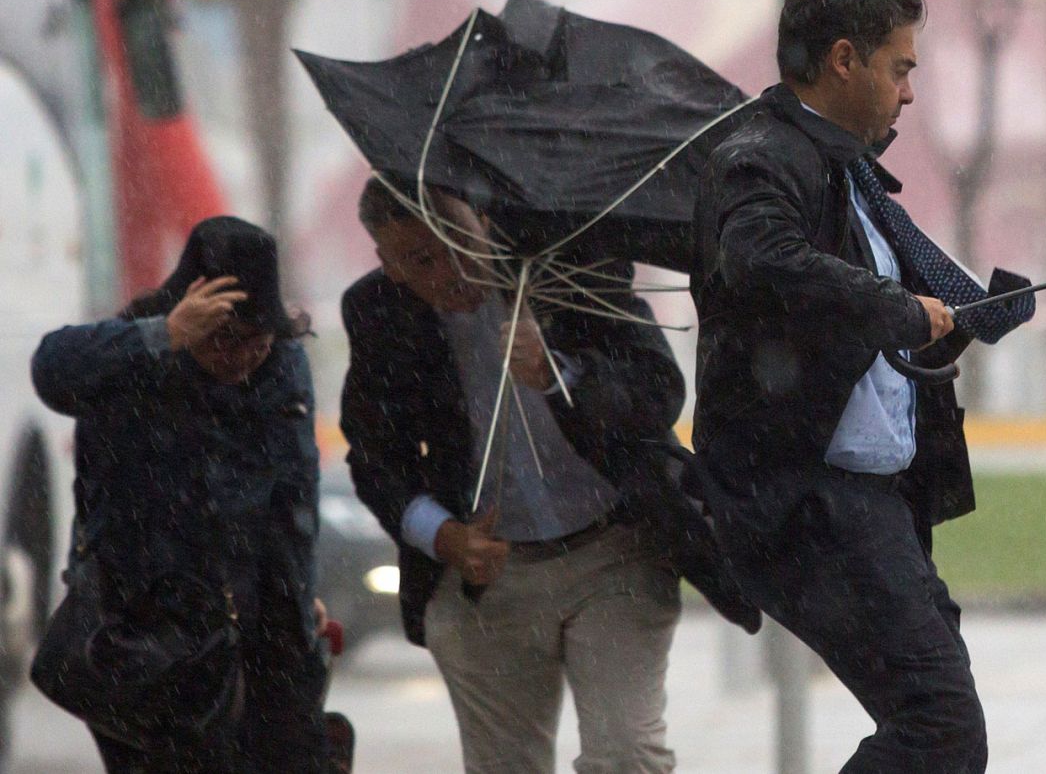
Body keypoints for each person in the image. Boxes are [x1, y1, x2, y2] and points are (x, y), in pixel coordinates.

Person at [690, 0, 989, 772]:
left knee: (940, 723)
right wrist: (897, 309)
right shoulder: (760, 155)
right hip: (807, 503)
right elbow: (763, 261)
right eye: (901, 68)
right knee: (939, 725)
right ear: (845, 59)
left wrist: (944, 325)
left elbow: (843, 320)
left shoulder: (842, 167)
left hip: (867, 504)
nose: (909, 92)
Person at [341, 181, 710, 774]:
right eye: (421, 260)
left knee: (628, 756)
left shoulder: (572, 265)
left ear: (484, 220)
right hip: (485, 579)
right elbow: (374, 455)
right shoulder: (378, 312)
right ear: (390, 266)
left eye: (457, 242)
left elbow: (658, 389)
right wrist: (442, 536)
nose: (451, 271)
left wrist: (559, 374)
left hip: (613, 552)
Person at [32, 216, 330, 772]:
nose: (239, 358)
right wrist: (163, 337)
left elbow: (294, 497)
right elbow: (51, 370)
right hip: (140, 630)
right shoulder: (133, 352)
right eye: (221, 340)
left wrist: (297, 593)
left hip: (254, 624)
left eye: (256, 344)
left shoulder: (284, 368)